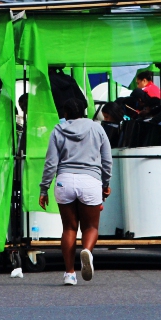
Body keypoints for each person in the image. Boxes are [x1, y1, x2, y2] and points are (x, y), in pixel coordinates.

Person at [39, 98, 112, 286]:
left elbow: (50, 163)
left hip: (65, 181)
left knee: (69, 228)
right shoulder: (97, 128)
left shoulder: (58, 130)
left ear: (66, 113)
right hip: (90, 180)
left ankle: (69, 273)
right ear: (85, 111)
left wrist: (44, 188)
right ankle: (86, 250)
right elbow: (107, 161)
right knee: (91, 227)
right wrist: (105, 183)